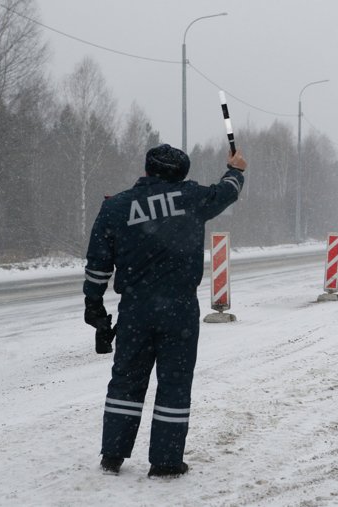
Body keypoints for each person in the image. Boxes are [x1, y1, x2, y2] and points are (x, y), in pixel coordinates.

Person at [83, 143, 247, 478]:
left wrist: (94, 305)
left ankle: (113, 454)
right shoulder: (190, 198)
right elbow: (225, 193)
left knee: (126, 381)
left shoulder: (116, 206)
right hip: (180, 310)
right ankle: (166, 461)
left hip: (135, 310)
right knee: (174, 383)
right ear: (181, 174)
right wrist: (237, 170)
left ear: (147, 170)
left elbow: (99, 264)